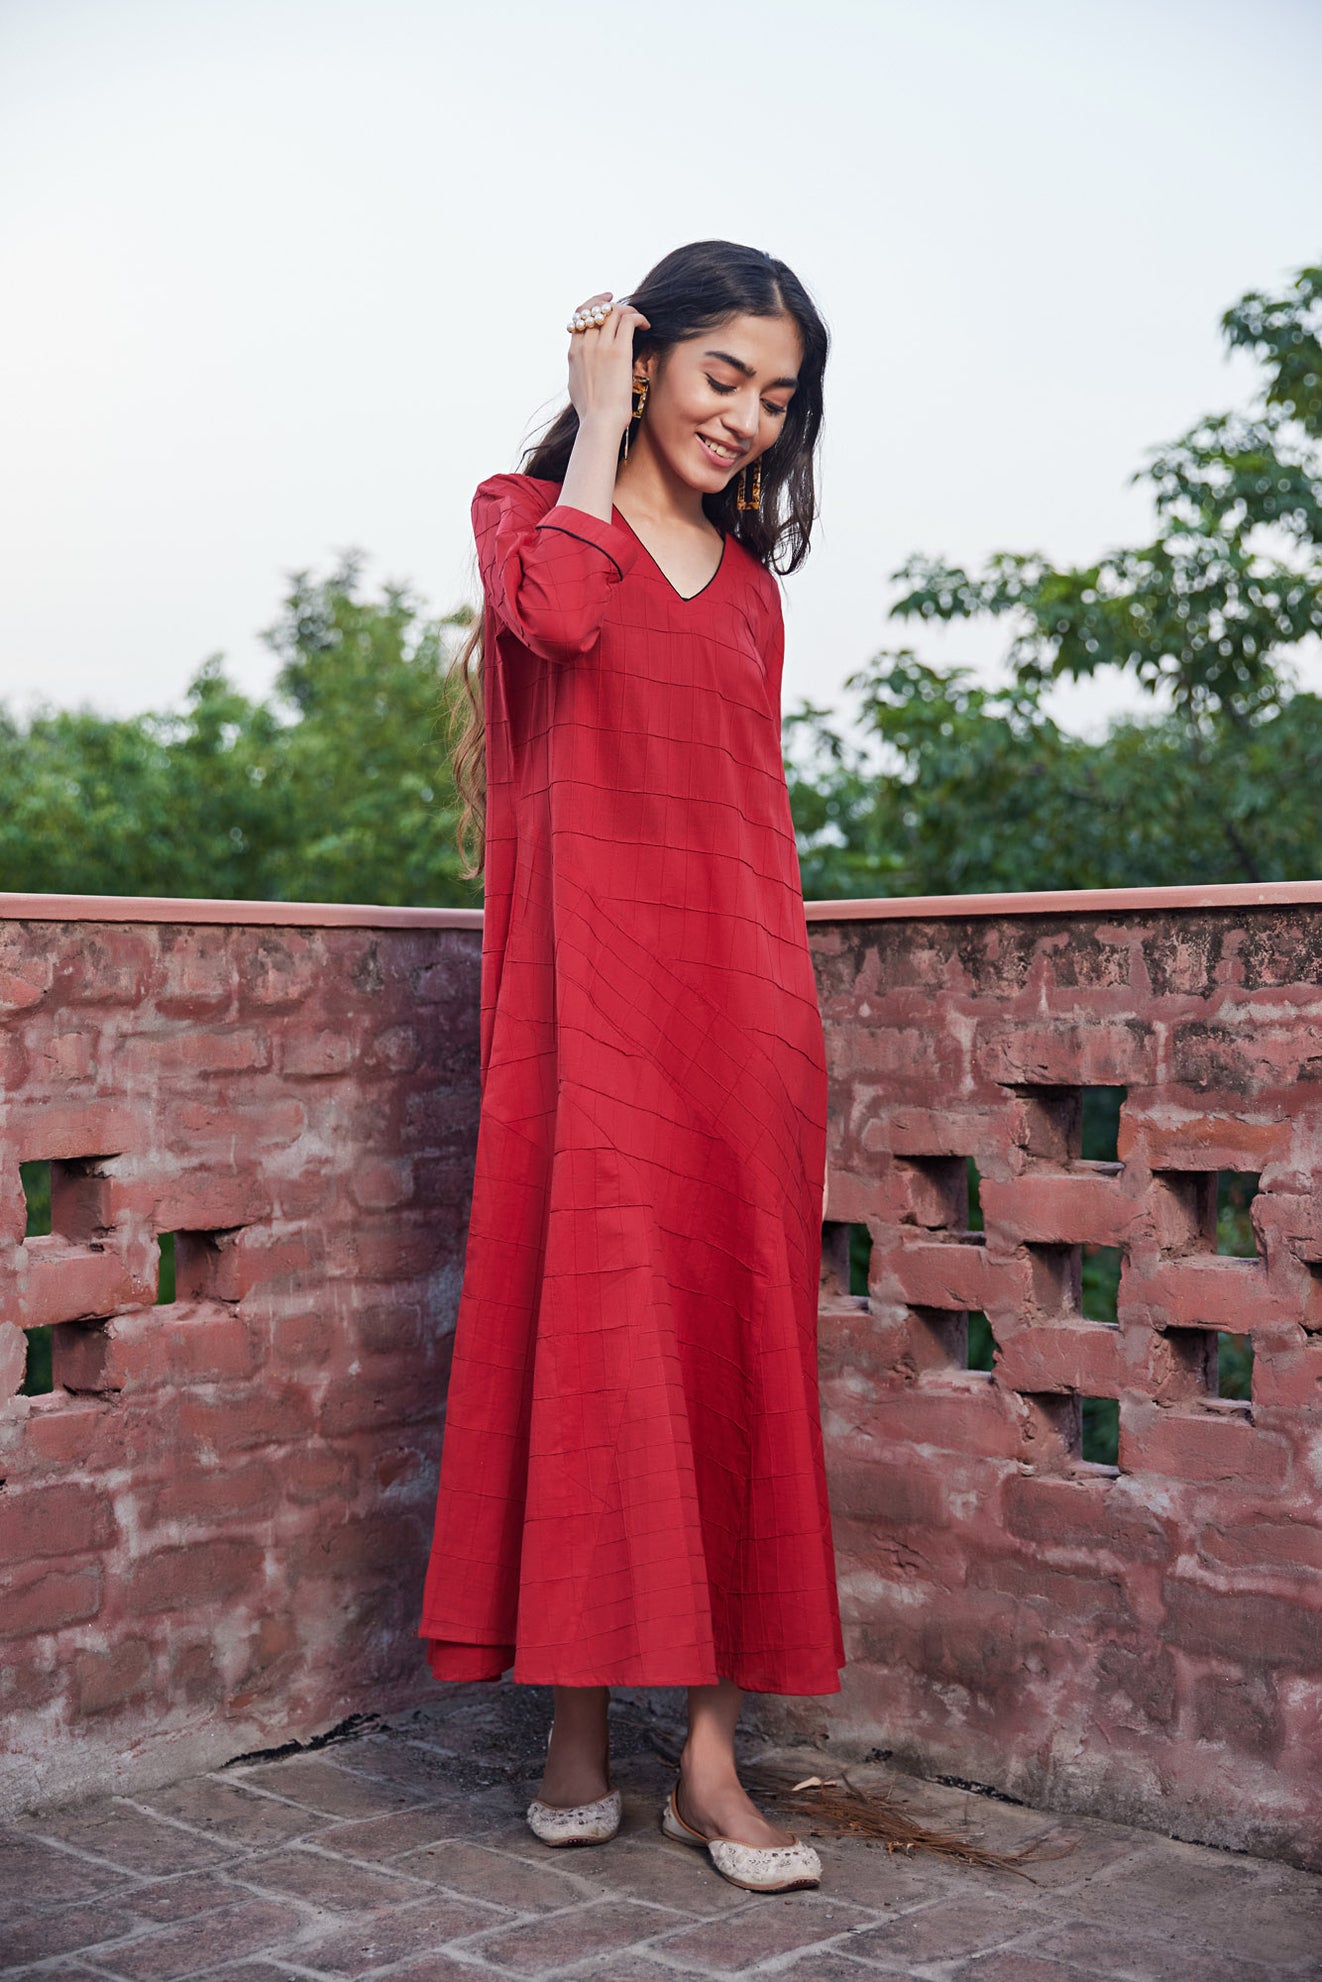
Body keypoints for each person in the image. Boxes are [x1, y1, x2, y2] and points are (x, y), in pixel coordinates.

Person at [419, 239, 845, 1894]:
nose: (745, 417)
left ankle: (714, 1766)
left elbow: (754, 828)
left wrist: (785, 1023)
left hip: (744, 1021)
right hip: (586, 1025)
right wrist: (590, 428)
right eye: (722, 375)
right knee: (598, 1352)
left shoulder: (752, 596)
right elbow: (555, 626)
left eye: (777, 396)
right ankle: (575, 1732)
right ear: (646, 360)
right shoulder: (529, 522)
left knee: (736, 1362)